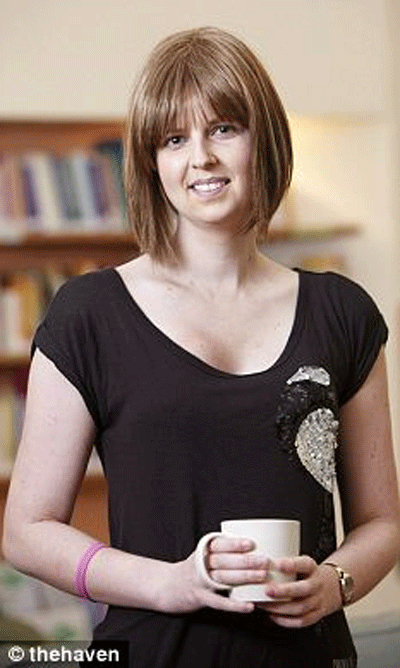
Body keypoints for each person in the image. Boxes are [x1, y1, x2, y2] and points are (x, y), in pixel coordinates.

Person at [3, 26, 400, 668]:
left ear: (263, 140)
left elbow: (382, 522)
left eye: (223, 129)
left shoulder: (343, 313)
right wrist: (172, 583)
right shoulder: (89, 315)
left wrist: (335, 584)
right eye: (174, 139)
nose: (201, 159)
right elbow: (26, 532)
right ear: (151, 162)